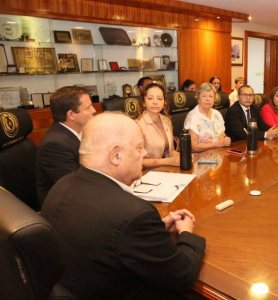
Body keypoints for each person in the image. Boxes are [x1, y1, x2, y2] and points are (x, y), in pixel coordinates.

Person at [42, 112, 206, 299]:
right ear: (116, 155)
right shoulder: (134, 215)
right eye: (139, 148)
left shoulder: (61, 185)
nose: (144, 153)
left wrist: (157, 228)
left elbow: (106, 236)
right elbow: (182, 276)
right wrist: (186, 233)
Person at [36, 86, 96, 207]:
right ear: (71, 114)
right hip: (66, 207)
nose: (94, 110)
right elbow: (77, 187)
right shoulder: (54, 145)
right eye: (88, 108)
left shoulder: (80, 132)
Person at [136, 83, 180, 167]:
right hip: (148, 173)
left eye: (159, 99)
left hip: (167, 169)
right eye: (150, 98)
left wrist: (181, 157)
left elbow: (171, 150)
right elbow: (139, 161)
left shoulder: (166, 121)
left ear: (164, 103)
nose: (155, 102)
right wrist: (168, 161)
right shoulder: (138, 125)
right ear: (143, 103)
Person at [184, 83, 230, 152]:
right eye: (204, 96)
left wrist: (226, 140)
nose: (208, 99)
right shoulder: (193, 116)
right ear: (198, 98)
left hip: (218, 154)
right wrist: (217, 144)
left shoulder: (217, 114)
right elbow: (193, 146)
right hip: (199, 157)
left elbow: (222, 135)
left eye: (211, 96)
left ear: (214, 99)